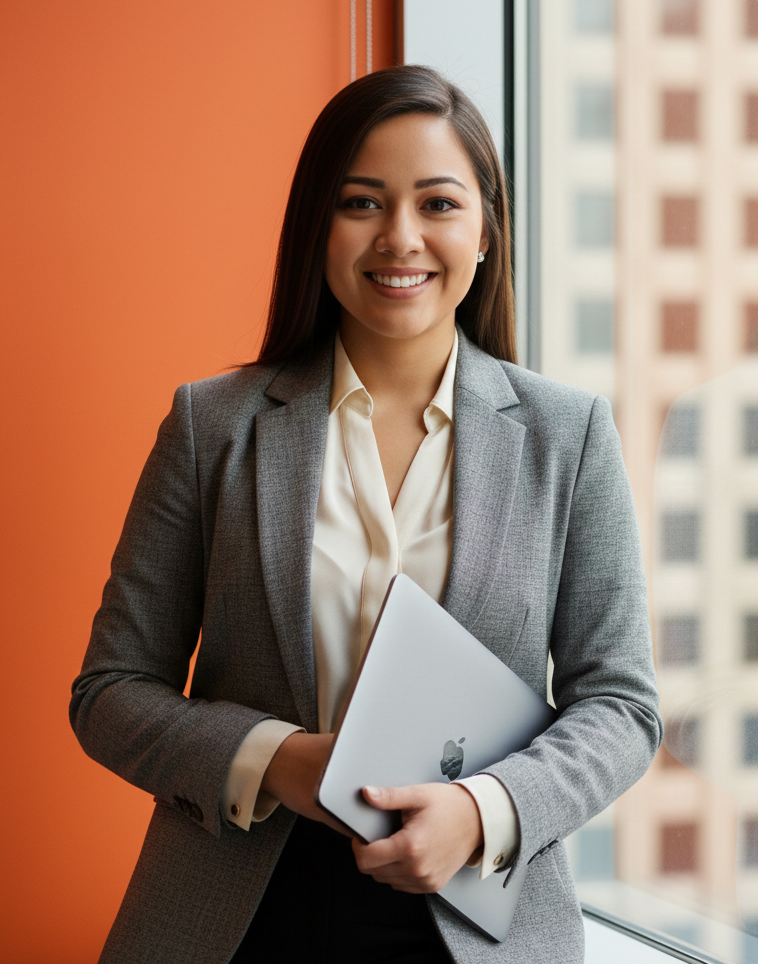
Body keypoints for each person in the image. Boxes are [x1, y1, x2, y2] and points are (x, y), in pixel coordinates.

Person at [70, 65, 662, 964]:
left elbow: (621, 706)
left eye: (437, 204)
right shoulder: (211, 425)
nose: (400, 238)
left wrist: (481, 811)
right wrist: (275, 758)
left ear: (486, 230)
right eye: (362, 203)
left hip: (480, 915)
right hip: (238, 916)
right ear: (319, 225)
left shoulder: (568, 436)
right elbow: (109, 693)